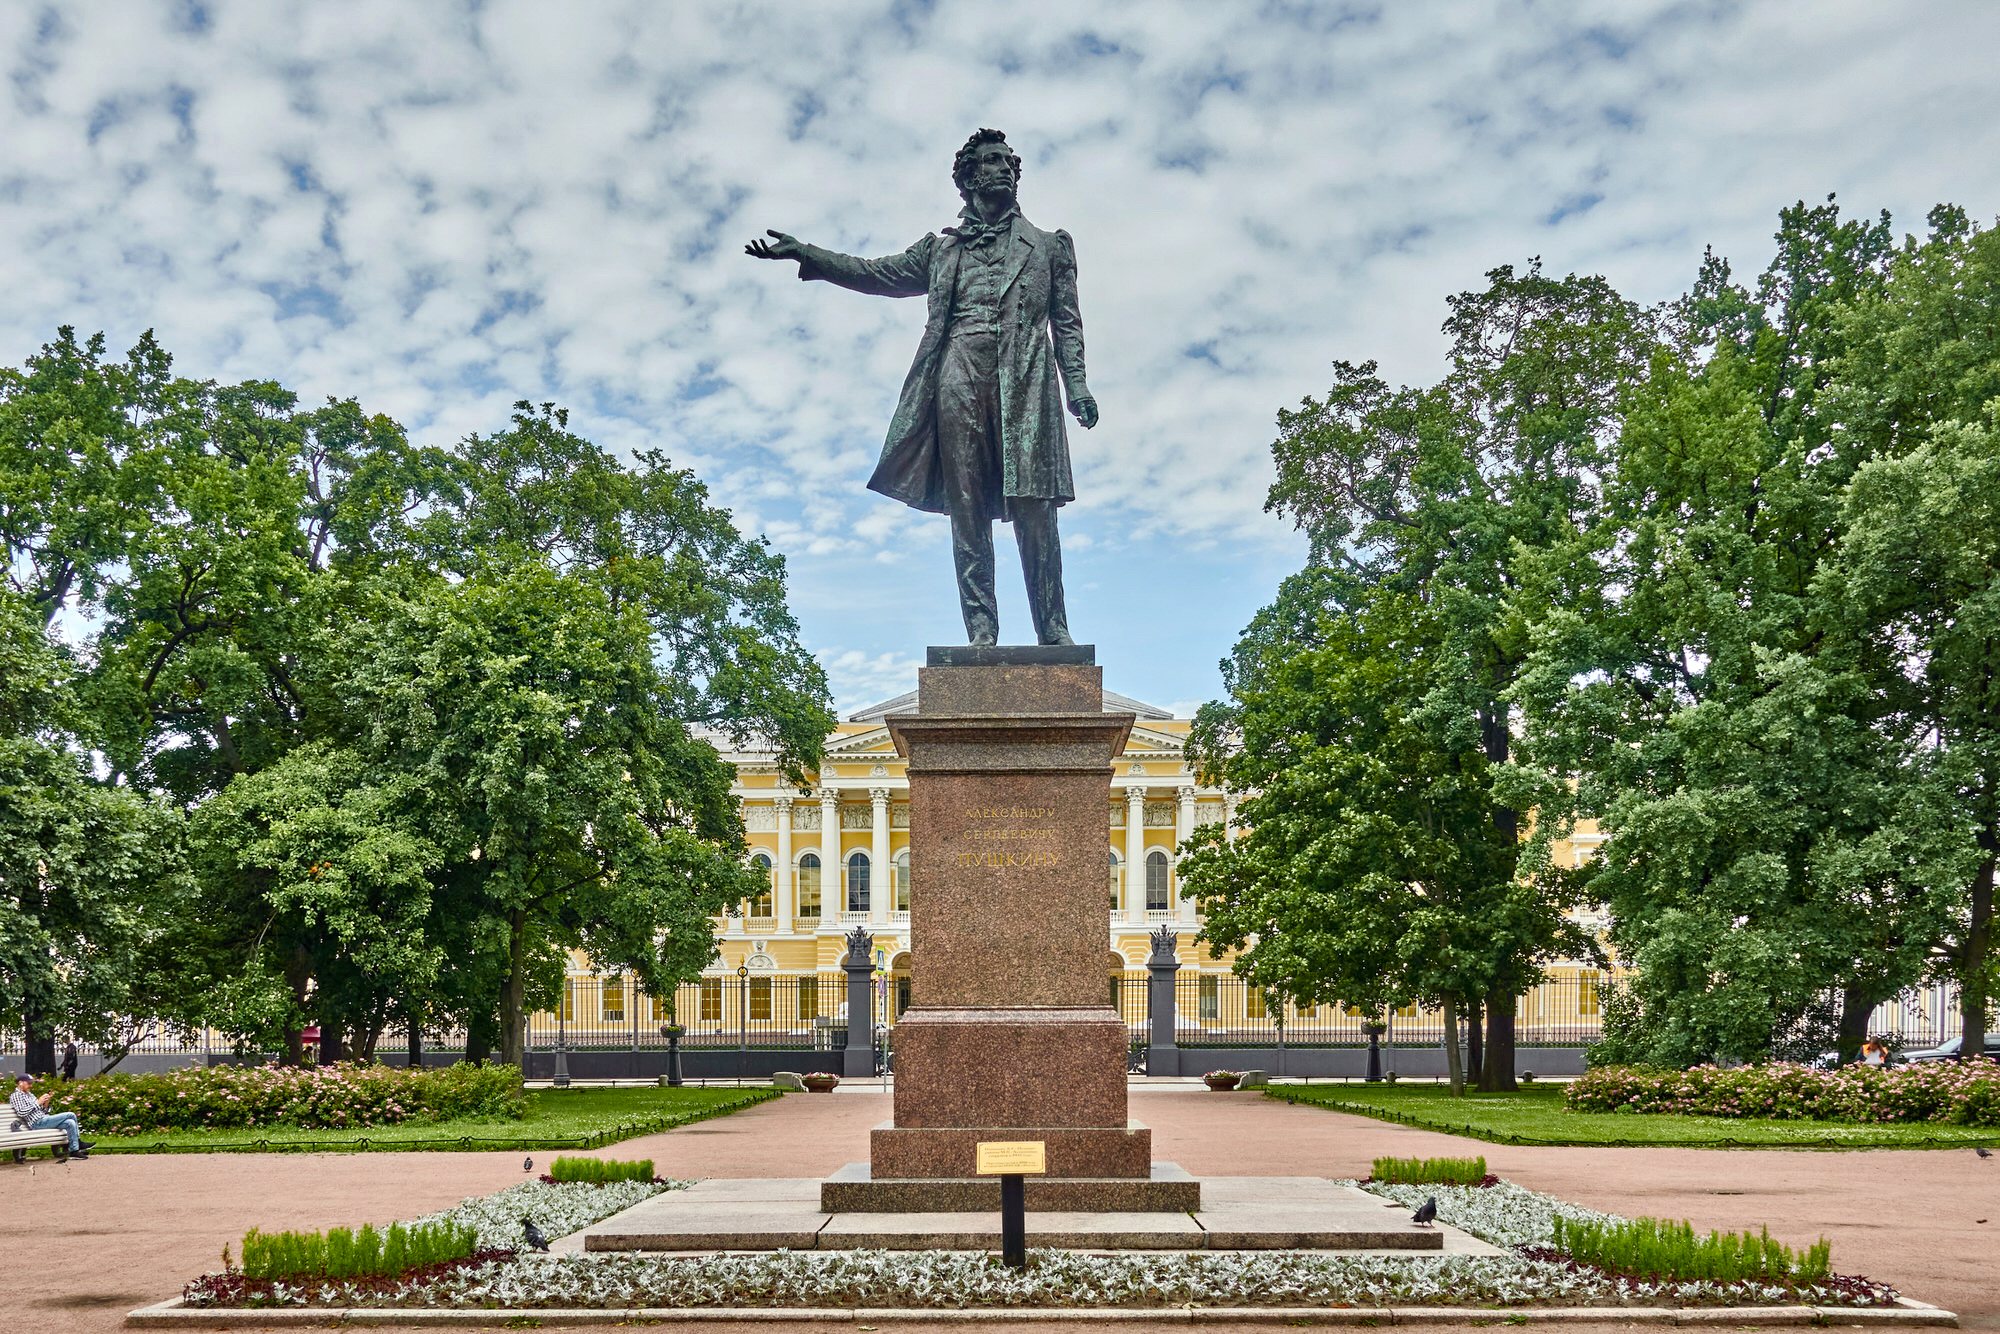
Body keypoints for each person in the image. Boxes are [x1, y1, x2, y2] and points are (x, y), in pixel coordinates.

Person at [747, 128, 1097, 646]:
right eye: (991, 160)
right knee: (967, 504)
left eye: (1008, 161)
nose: (1004, 167)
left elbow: (1067, 322)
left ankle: (1054, 630)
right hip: (957, 379)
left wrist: (1078, 386)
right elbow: (875, 273)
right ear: (968, 177)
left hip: (1027, 383)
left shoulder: (1049, 247)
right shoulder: (939, 252)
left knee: (1035, 507)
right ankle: (981, 630)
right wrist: (809, 254)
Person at [9, 1073, 91, 1159]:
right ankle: (79, 1142)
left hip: (44, 1119)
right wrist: (38, 1102)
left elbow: (43, 1110)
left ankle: (75, 1151)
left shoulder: (30, 1094)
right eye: (28, 1083)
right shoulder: (16, 1096)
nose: (31, 1085)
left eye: (31, 1083)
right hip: (37, 1122)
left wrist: (46, 1103)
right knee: (71, 1114)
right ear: (20, 1083)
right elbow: (21, 1112)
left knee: (70, 1123)